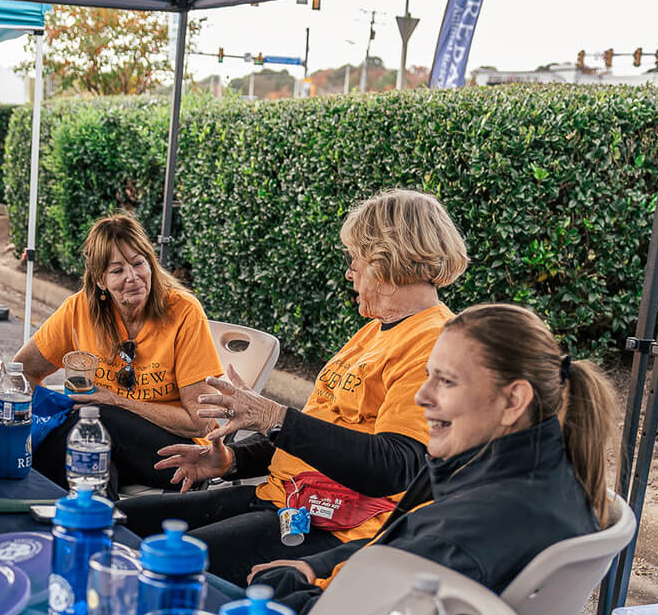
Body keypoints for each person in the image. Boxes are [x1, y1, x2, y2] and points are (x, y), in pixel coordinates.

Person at [119, 189, 469, 584]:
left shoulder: (433, 342)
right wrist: (231, 463)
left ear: (387, 259)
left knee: (156, 565)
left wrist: (273, 416)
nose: (350, 271)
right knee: (119, 522)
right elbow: (319, 438)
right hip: (282, 500)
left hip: (333, 527)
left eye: (356, 257)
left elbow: (396, 467)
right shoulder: (374, 331)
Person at [250, 303, 617, 615]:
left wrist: (281, 584)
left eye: (446, 382)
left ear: (513, 401)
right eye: (428, 377)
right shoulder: (544, 476)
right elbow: (401, 546)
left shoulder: (470, 527)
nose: (422, 396)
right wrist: (311, 566)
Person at [15, 212, 223, 495]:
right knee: (94, 461)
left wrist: (116, 401)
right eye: (117, 271)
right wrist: (39, 417)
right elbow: (23, 370)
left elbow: (199, 423)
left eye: (139, 263)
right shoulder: (79, 310)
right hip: (104, 443)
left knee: (95, 417)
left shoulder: (183, 312)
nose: (132, 277)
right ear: (100, 280)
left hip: (181, 457)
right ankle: (101, 526)